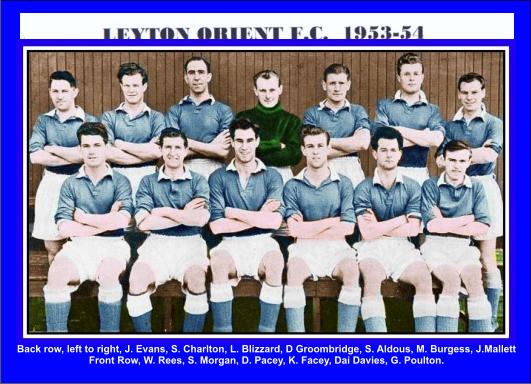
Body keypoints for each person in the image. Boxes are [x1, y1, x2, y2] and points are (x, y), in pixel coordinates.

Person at [43, 122, 133, 332]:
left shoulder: (121, 181)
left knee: (109, 275)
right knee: (56, 274)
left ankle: (108, 343)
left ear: (106, 147)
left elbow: (122, 221)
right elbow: (64, 227)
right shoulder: (70, 183)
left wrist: (83, 218)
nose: (91, 151)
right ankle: (56, 347)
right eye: (86, 146)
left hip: (113, 245)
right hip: (79, 246)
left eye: (96, 145)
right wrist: (105, 221)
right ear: (80, 149)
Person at [126, 128, 210, 333]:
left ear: (186, 150)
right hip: (157, 244)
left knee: (198, 281)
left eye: (178, 147)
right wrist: (184, 214)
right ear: (161, 150)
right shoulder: (148, 181)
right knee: (136, 280)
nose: (173, 152)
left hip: (191, 245)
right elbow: (144, 224)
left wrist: (163, 211)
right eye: (168, 147)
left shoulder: (198, 180)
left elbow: (200, 219)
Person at [437, 72, 504, 331]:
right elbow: (440, 159)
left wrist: (455, 155)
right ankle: (461, 314)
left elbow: (490, 155)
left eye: (474, 92)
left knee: (487, 259)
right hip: (455, 191)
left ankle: (489, 320)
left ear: (483, 93)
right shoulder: (449, 125)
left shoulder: (494, 123)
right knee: (456, 256)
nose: (469, 97)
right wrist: (470, 155)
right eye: (464, 92)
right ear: (458, 94)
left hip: (484, 188)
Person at [353, 126, 435, 333]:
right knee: (371, 278)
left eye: (393, 150)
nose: (388, 155)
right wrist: (400, 219)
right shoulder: (363, 187)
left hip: (402, 247)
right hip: (371, 247)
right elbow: (368, 233)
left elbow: (414, 229)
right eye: (383, 150)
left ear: (400, 153)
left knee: (424, 278)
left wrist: (379, 226)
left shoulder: (413, 186)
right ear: (374, 153)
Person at [208, 118, 285, 333]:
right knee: (218, 262)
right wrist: (258, 216)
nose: (244, 146)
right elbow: (216, 226)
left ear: (257, 142)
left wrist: (231, 212)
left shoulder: (273, 175)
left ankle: (266, 337)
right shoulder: (218, 177)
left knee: (276, 262)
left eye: (249, 140)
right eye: (239, 140)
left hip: (262, 242)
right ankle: (222, 338)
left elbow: (274, 221)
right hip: (230, 243)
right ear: (232, 142)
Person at [283, 126, 360, 332]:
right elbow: (295, 231)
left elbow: (348, 227)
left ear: (328, 148)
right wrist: (332, 221)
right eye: (310, 146)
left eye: (320, 146)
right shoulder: (292, 185)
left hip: (337, 247)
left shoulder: (344, 183)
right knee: (294, 273)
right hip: (304, 248)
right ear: (303, 150)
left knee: (352, 271)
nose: (315, 151)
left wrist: (308, 227)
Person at [421, 140, 492, 332]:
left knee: (475, 284)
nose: (457, 166)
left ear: (469, 162)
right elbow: (432, 225)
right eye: (452, 160)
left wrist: (446, 223)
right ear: (443, 160)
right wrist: (467, 219)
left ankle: (484, 346)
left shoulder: (476, 187)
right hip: (435, 247)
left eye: (462, 161)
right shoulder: (430, 185)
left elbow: (482, 226)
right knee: (451, 280)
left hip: (464, 247)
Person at [29, 71, 99, 264]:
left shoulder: (90, 121)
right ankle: (58, 292)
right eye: (55, 91)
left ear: (74, 92)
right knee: (53, 247)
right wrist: (76, 154)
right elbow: (35, 156)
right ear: (50, 92)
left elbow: (92, 156)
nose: (59, 96)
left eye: (64, 91)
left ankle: (84, 292)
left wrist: (53, 149)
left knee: (85, 243)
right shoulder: (44, 121)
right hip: (51, 184)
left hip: (82, 183)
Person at [373, 52, 445, 186]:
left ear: (422, 77)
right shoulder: (384, 106)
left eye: (416, 74)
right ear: (398, 77)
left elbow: (436, 139)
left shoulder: (432, 110)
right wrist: (424, 136)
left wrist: (396, 130)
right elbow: (381, 140)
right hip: (388, 174)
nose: (412, 78)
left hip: (419, 173)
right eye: (406, 74)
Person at [102, 62, 165, 200]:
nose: (131, 90)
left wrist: (120, 144)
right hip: (116, 178)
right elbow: (106, 152)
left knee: (146, 219)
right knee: (120, 219)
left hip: (149, 178)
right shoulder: (109, 117)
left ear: (144, 87)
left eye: (135, 85)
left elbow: (157, 151)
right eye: (127, 85)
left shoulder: (156, 117)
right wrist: (144, 153)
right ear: (121, 86)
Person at [303, 63, 370, 188]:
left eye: (341, 83)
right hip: (321, 169)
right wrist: (351, 145)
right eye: (332, 83)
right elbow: (312, 151)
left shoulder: (357, 111)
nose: (337, 88)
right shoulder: (312, 113)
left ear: (348, 85)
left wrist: (324, 143)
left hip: (351, 170)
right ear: (324, 85)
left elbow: (363, 143)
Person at [165, 56, 234, 179]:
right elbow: (174, 152)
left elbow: (223, 152)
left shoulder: (224, 111)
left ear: (209, 76)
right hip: (182, 172)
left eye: (201, 72)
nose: (196, 77)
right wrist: (211, 147)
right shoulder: (175, 111)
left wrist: (185, 142)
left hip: (215, 172)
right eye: (192, 73)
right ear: (186, 78)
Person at [236, 69, 301, 183]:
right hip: (250, 174)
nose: (267, 95)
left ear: (280, 89)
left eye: (272, 90)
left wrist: (258, 148)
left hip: (282, 176)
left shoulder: (292, 120)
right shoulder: (243, 117)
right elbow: (241, 150)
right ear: (255, 90)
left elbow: (294, 156)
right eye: (262, 90)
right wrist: (276, 145)